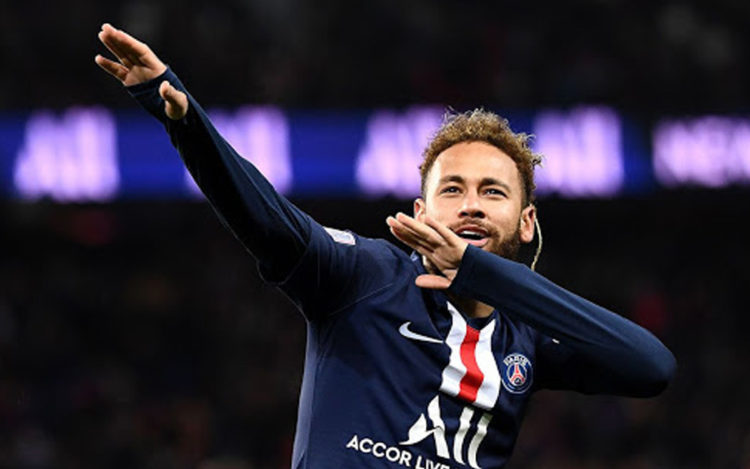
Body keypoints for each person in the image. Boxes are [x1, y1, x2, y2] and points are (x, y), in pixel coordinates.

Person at [95, 23, 676, 469]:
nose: (471, 205)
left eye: (492, 191)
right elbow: (268, 220)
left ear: (527, 223)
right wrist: (188, 125)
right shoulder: (364, 275)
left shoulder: (526, 335)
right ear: (422, 212)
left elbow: (650, 366)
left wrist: (483, 275)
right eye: (452, 189)